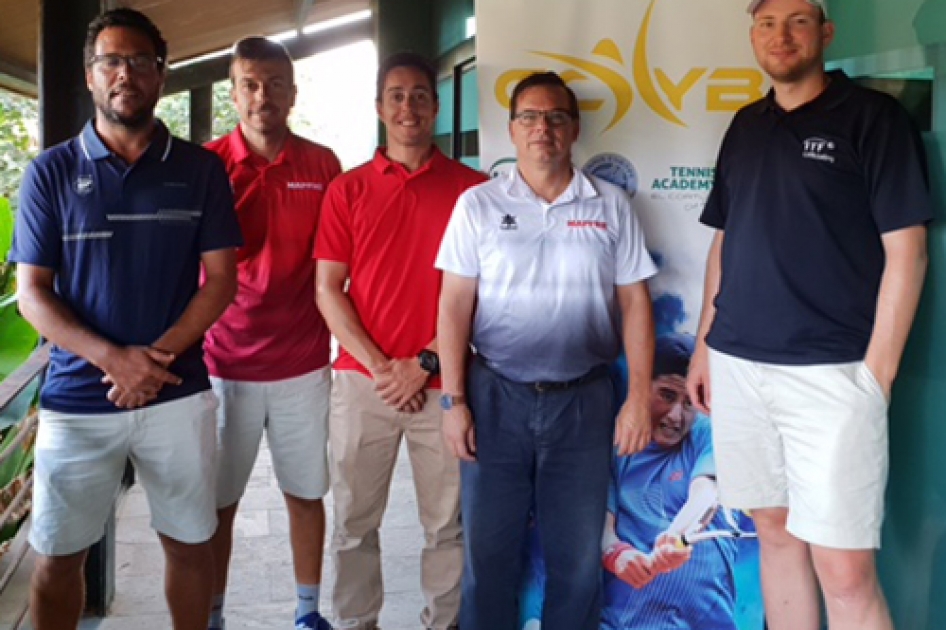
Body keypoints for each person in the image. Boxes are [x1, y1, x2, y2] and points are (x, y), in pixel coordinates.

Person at [686, 1, 932, 629]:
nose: (780, 35)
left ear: (825, 33)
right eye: (767, 23)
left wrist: (874, 379)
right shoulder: (745, 126)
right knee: (773, 532)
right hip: (740, 365)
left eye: (798, 21)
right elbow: (725, 240)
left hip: (832, 375)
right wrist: (703, 346)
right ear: (753, 36)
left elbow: (907, 250)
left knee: (845, 569)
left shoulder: (874, 121)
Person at [10, 8, 241, 630]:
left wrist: (152, 362)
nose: (125, 74)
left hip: (176, 393)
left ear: (161, 75)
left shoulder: (200, 170)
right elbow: (32, 293)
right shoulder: (51, 171)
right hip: (77, 398)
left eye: (140, 61)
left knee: (189, 544)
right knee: (57, 556)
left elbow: (222, 281)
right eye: (111, 60)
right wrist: (117, 360)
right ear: (90, 76)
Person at [436, 71, 657, 630]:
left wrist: (636, 401)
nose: (543, 128)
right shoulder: (477, 205)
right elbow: (454, 305)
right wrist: (452, 401)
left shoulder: (609, 205)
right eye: (530, 117)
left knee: (579, 563)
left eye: (555, 117)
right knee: (488, 559)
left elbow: (635, 305)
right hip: (494, 399)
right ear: (511, 130)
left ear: (574, 129)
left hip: (583, 403)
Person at [314, 52, 486, 630]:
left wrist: (425, 363)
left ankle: (444, 623)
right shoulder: (347, 190)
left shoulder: (474, 191)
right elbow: (328, 290)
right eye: (396, 95)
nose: (408, 106)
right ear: (380, 108)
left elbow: (482, 296)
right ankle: (354, 622)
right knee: (353, 523)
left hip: (446, 385)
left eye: (419, 95)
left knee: (447, 526)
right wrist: (384, 366)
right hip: (364, 385)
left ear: (437, 107)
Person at [203, 36, 341, 630]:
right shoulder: (206, 164)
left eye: (274, 84)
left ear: (292, 91)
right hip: (221, 362)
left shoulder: (321, 163)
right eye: (250, 84)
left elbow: (339, 262)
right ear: (234, 92)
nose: (263, 96)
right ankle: (212, 613)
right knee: (217, 503)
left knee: (304, 493)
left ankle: (307, 612)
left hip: (303, 361)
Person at [602, 333, 739, 630]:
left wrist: (677, 537)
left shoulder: (710, 433)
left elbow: (707, 493)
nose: (676, 416)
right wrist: (614, 553)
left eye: (689, 403)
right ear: (639, 390)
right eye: (666, 395)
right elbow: (600, 523)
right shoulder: (612, 444)